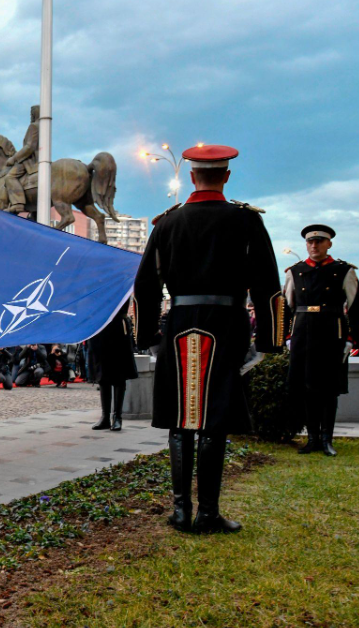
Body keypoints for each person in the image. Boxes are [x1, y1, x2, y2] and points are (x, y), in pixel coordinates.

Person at [133, 144, 283, 534]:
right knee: (214, 417)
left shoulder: (166, 224)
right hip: (227, 325)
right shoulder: (245, 221)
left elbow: (145, 287)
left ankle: (182, 511)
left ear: (191, 176)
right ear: (227, 176)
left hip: (180, 323)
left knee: (182, 419)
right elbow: (268, 285)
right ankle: (208, 513)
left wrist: (148, 336)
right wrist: (269, 341)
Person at [284, 224, 358, 456]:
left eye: (319, 241)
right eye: (310, 242)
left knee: (329, 389)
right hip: (303, 334)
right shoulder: (294, 271)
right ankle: (312, 438)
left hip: (331, 335)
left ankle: (327, 439)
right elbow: (287, 308)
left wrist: (351, 339)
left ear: (329, 244)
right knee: (306, 389)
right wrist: (287, 336)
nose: (314, 245)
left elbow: (356, 307)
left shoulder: (344, 271)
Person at [89, 302, 138, 431]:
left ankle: (117, 417)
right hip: (100, 327)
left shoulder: (121, 282)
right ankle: (105, 417)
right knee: (102, 376)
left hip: (118, 328)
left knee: (119, 375)